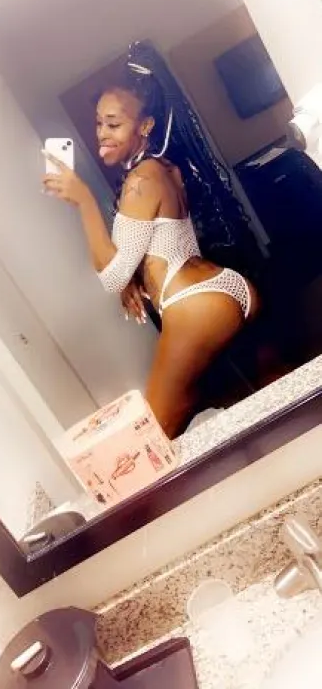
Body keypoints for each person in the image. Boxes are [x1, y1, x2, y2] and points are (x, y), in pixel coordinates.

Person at [42, 46, 259, 439]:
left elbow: (112, 275)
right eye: (98, 123)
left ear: (144, 126)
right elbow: (151, 249)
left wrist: (84, 200)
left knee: (155, 436)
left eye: (113, 124)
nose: (101, 134)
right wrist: (133, 278)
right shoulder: (164, 168)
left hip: (194, 306)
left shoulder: (141, 180)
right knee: (270, 400)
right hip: (224, 286)